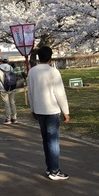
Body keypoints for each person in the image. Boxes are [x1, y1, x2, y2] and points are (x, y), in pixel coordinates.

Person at [27, 46, 70, 180]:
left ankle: (50, 168)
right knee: (53, 141)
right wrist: (66, 111)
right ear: (50, 57)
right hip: (52, 110)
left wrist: (32, 109)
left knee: (46, 140)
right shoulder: (53, 71)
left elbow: (30, 92)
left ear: (39, 57)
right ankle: (54, 171)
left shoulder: (32, 71)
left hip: (39, 110)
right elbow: (60, 93)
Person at [0, 58, 17, 125]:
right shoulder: (11, 67)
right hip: (11, 87)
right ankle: (14, 118)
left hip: (3, 88)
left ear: (1, 61)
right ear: (7, 61)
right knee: (12, 102)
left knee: (7, 103)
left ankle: (8, 119)